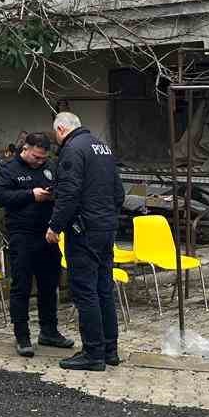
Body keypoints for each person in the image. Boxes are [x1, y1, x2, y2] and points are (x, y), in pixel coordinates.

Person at [45, 111, 125, 372]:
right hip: (106, 228)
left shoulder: (72, 150)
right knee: (104, 289)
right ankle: (110, 350)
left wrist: (55, 226)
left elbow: (69, 194)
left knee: (85, 292)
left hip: (84, 231)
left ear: (60, 129)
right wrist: (106, 217)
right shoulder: (103, 147)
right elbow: (119, 193)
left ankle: (93, 353)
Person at [0, 132, 74, 358]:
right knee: (22, 286)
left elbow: (62, 188)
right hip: (22, 234)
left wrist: (53, 195)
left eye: (43, 158)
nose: (40, 161)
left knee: (50, 284)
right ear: (25, 149)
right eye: (36, 157)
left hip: (47, 234)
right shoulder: (8, 168)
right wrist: (30, 195)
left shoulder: (50, 166)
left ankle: (49, 331)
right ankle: (22, 335)